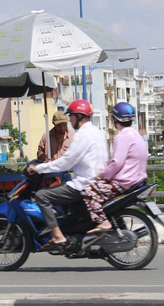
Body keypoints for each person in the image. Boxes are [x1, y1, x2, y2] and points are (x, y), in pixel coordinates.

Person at [27, 99, 108, 251]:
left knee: (42, 196)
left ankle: (57, 235)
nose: (69, 121)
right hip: (93, 182)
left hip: (82, 183)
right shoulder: (97, 132)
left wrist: (39, 169)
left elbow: (66, 162)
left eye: (70, 117)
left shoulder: (81, 135)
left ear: (78, 116)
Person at [82, 102, 147, 234]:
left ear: (115, 119)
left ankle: (103, 222)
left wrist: (103, 173)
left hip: (124, 182)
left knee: (88, 191)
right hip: (137, 180)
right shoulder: (136, 135)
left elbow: (117, 163)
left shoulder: (122, 136)